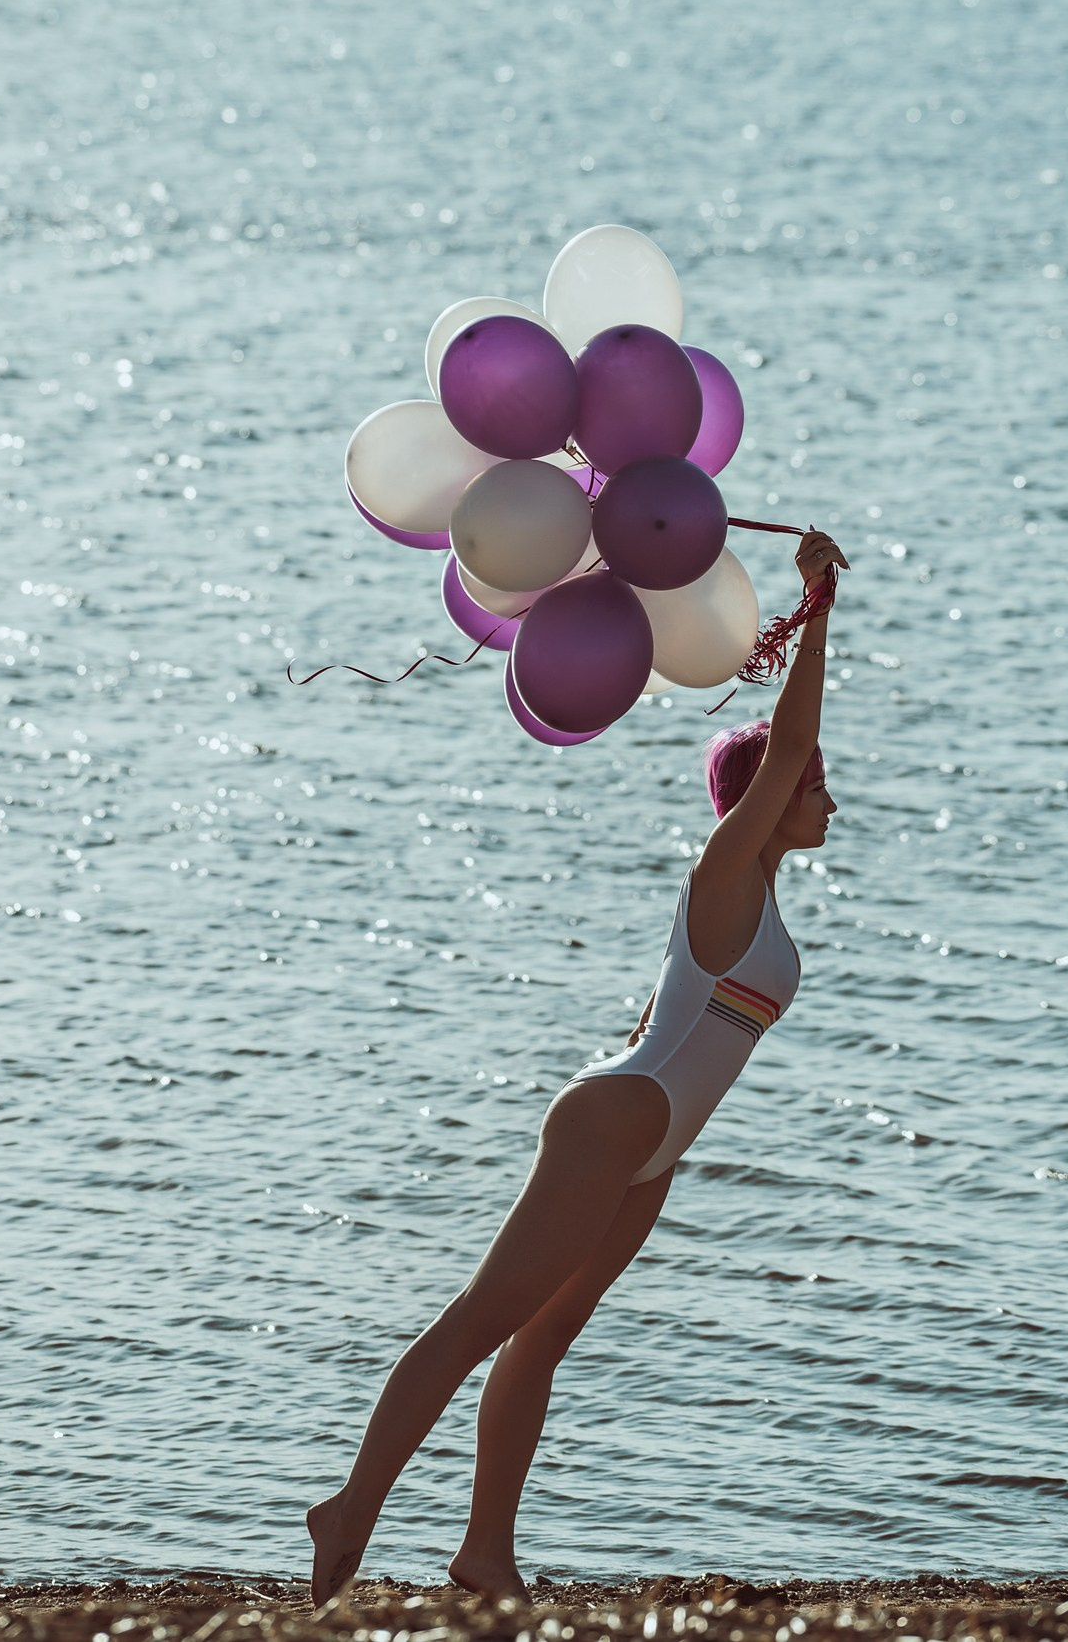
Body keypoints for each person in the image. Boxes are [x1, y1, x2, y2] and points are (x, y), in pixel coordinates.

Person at [303, 527, 851, 1602]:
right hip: (613, 1125)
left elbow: (672, 1012)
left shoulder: (754, 905)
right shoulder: (723, 871)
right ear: (762, 803)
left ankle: (484, 1557)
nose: (826, 797)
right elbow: (785, 748)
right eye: (815, 784)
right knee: (480, 1321)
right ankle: (352, 1507)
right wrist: (819, 606)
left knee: (541, 1342)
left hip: (649, 1146)